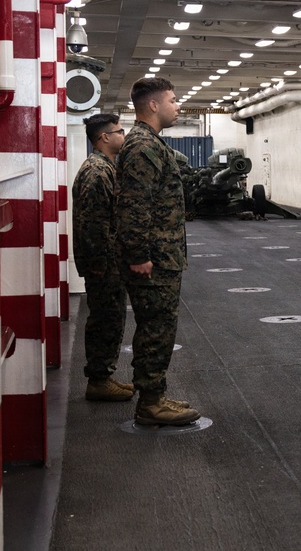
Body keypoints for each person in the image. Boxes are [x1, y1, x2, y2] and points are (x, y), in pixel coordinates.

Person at [115, 77, 200, 426]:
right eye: (173, 100)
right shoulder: (143, 146)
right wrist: (138, 255)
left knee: (158, 326)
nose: (178, 106)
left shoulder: (149, 143)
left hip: (163, 256)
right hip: (155, 258)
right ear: (153, 105)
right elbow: (134, 205)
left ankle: (154, 395)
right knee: (155, 328)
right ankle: (150, 404)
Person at [73, 113, 133, 402]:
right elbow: (93, 223)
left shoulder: (105, 167)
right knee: (105, 319)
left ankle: (103, 376)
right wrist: (98, 262)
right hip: (104, 262)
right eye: (120, 132)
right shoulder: (98, 171)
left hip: (108, 259)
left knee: (111, 316)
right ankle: (98, 380)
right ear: (104, 137)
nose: (124, 136)